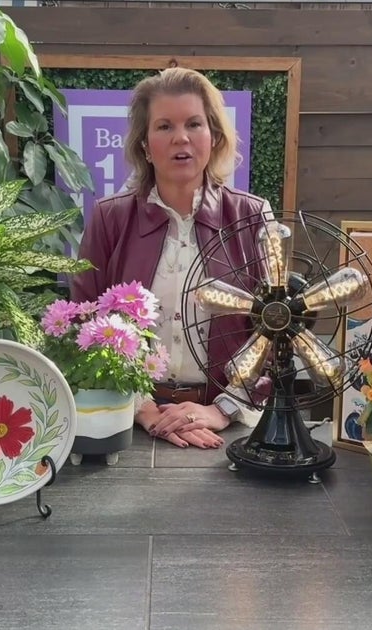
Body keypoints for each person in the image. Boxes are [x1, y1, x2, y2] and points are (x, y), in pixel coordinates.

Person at [70, 67, 274, 450]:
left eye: (194, 124)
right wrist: (143, 408)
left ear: (214, 137)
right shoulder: (109, 218)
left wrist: (222, 409)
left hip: (229, 429)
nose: (181, 137)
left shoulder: (252, 217)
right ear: (145, 145)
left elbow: (274, 332)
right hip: (125, 424)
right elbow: (84, 324)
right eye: (164, 126)